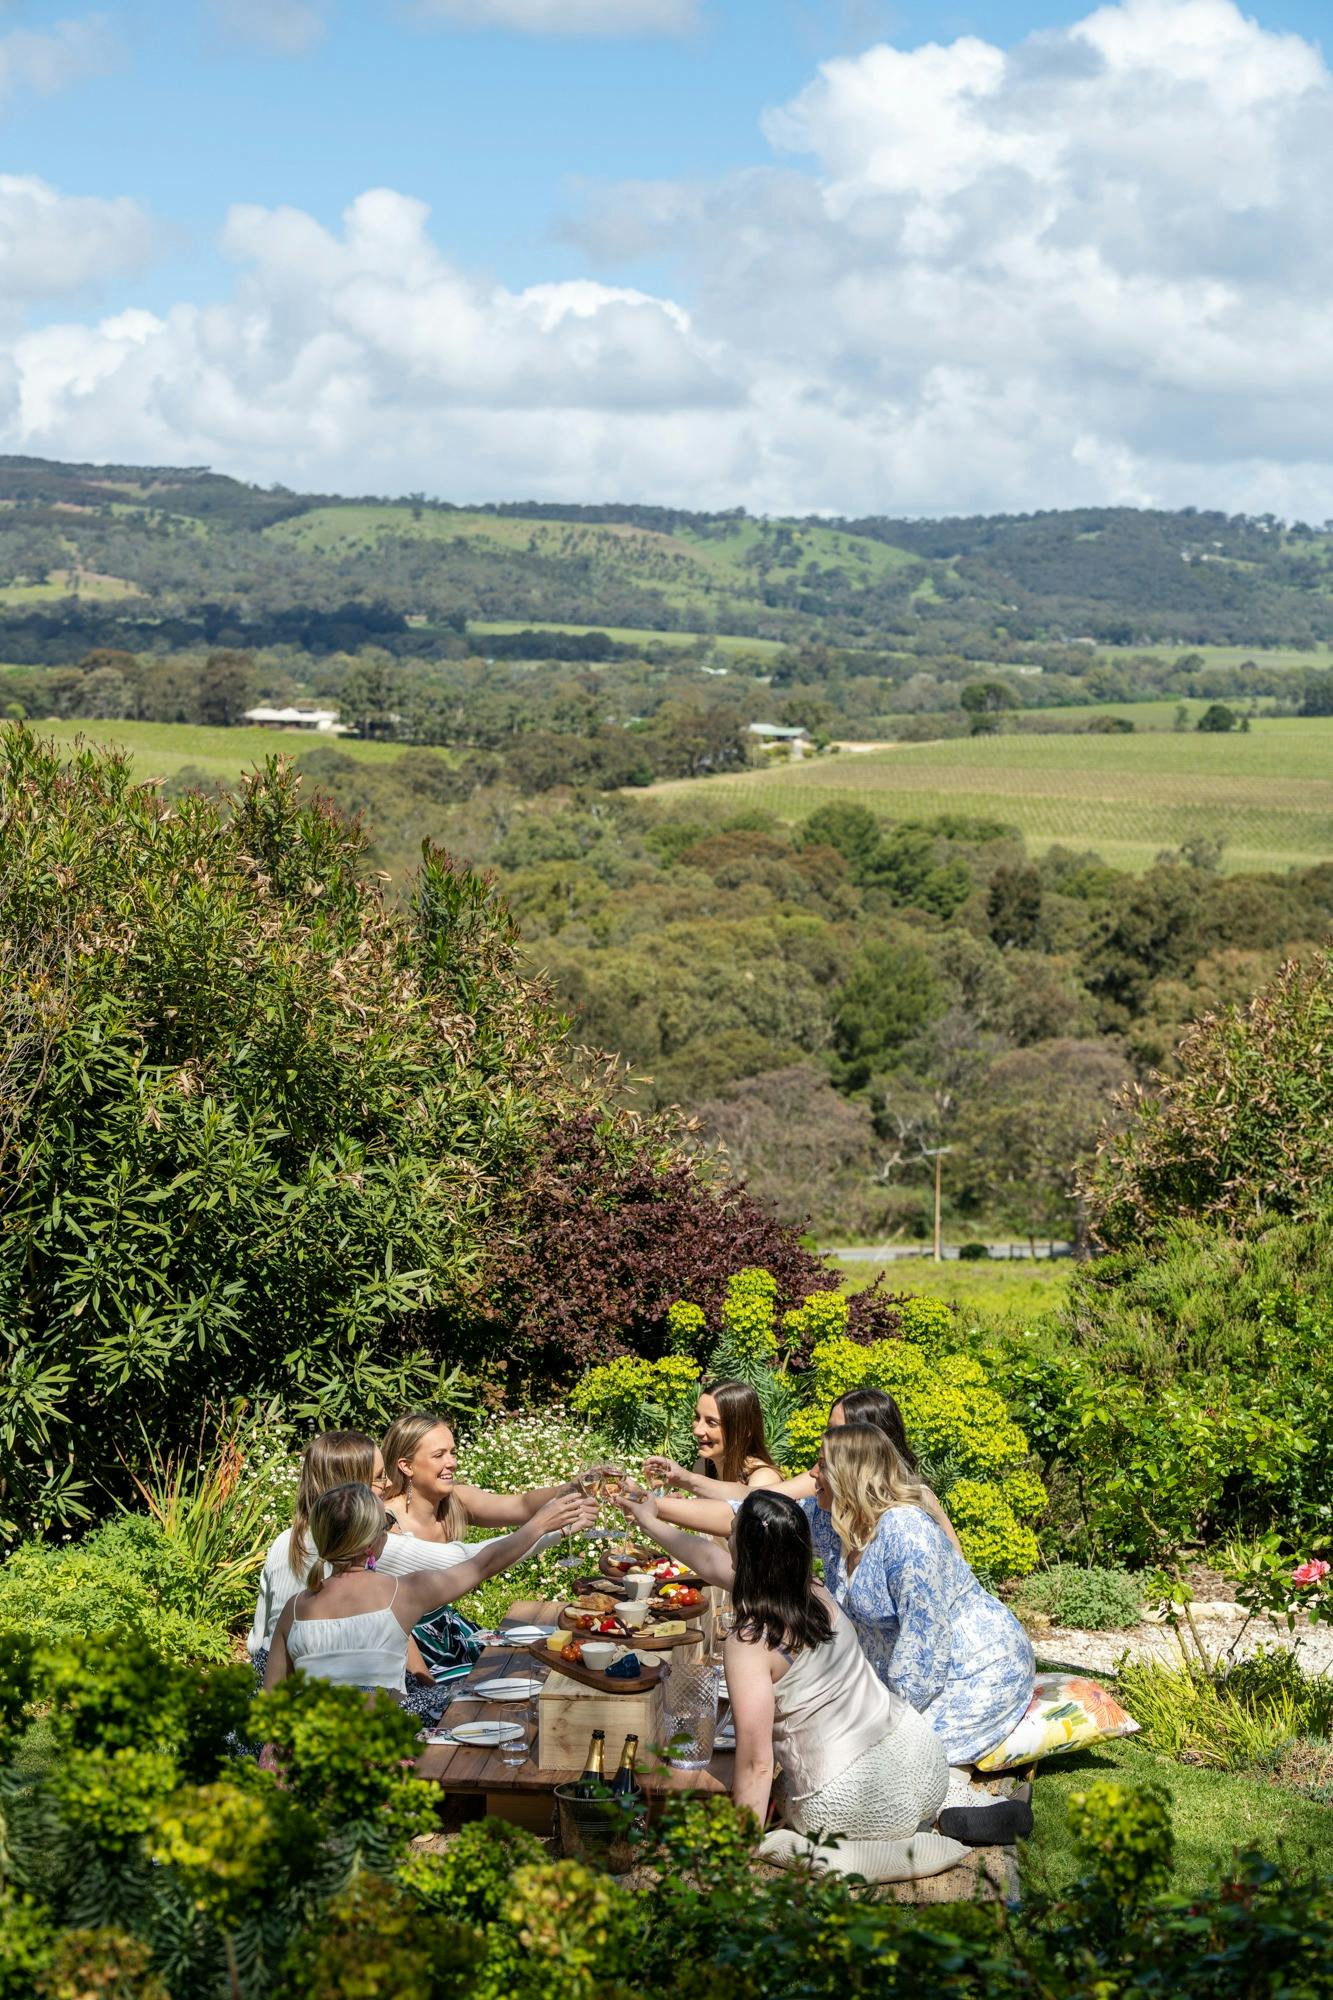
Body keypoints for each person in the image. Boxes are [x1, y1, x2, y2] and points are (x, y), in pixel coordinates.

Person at [813, 1424, 1034, 1770]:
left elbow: (924, 1645)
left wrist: (886, 1721)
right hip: (910, 1676)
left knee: (894, 1760)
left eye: (822, 1465)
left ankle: (978, 1812)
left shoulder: (907, 1533)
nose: (811, 1473)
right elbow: (760, 1519)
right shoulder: (836, 1518)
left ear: (850, 1476)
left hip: (975, 1667)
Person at [264, 1480, 595, 1701]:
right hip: (380, 1756)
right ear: (372, 1540)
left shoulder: (296, 1609)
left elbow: (271, 1701)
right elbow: (483, 1564)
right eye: (386, 1525)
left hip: (310, 1759)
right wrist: (539, 1525)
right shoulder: (403, 1593)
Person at [638, 1386, 960, 1550]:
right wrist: (683, 1480)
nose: (827, 1441)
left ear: (869, 1443)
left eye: (838, 1432)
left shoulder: (912, 1512)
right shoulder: (826, 1494)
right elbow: (753, 1500)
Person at [643, 1381, 783, 1500]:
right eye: (697, 1417)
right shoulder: (703, 1468)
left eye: (711, 1422)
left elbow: (733, 1526)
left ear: (744, 1429)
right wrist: (662, 1500)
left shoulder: (763, 1478)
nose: (697, 1430)